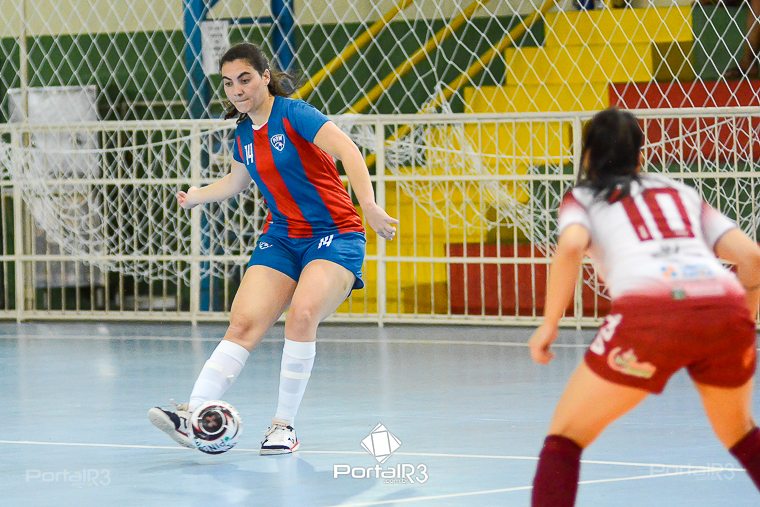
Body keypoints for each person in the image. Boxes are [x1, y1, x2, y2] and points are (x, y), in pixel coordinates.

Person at [148, 42, 398, 455]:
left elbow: (348, 150)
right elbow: (236, 182)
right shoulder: (244, 134)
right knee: (244, 323)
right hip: (282, 236)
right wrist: (196, 196)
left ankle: (284, 426)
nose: (237, 90)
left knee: (301, 315)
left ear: (265, 77)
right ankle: (194, 415)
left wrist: (368, 205)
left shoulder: (295, 114)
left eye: (245, 79)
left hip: (334, 233)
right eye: (228, 83)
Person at [528, 107, 760, 506]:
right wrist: (743, 317)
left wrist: (549, 324)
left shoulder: (582, 197)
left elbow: (569, 247)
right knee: (741, 433)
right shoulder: (679, 192)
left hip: (650, 315)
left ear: (587, 155)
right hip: (726, 309)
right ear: (640, 157)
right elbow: (753, 258)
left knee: (564, 439)